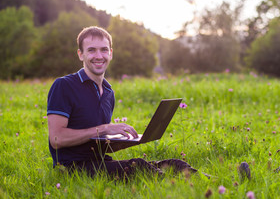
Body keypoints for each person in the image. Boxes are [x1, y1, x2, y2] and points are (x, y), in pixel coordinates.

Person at [47, 26, 198, 180]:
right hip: (71, 168)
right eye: (91, 50)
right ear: (81, 54)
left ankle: (208, 182)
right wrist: (105, 128)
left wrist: (124, 140)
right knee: (139, 167)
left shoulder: (108, 92)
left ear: (110, 53)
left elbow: (96, 142)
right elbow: (57, 139)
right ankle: (176, 188)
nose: (99, 56)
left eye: (104, 50)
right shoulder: (64, 86)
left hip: (100, 162)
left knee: (174, 164)